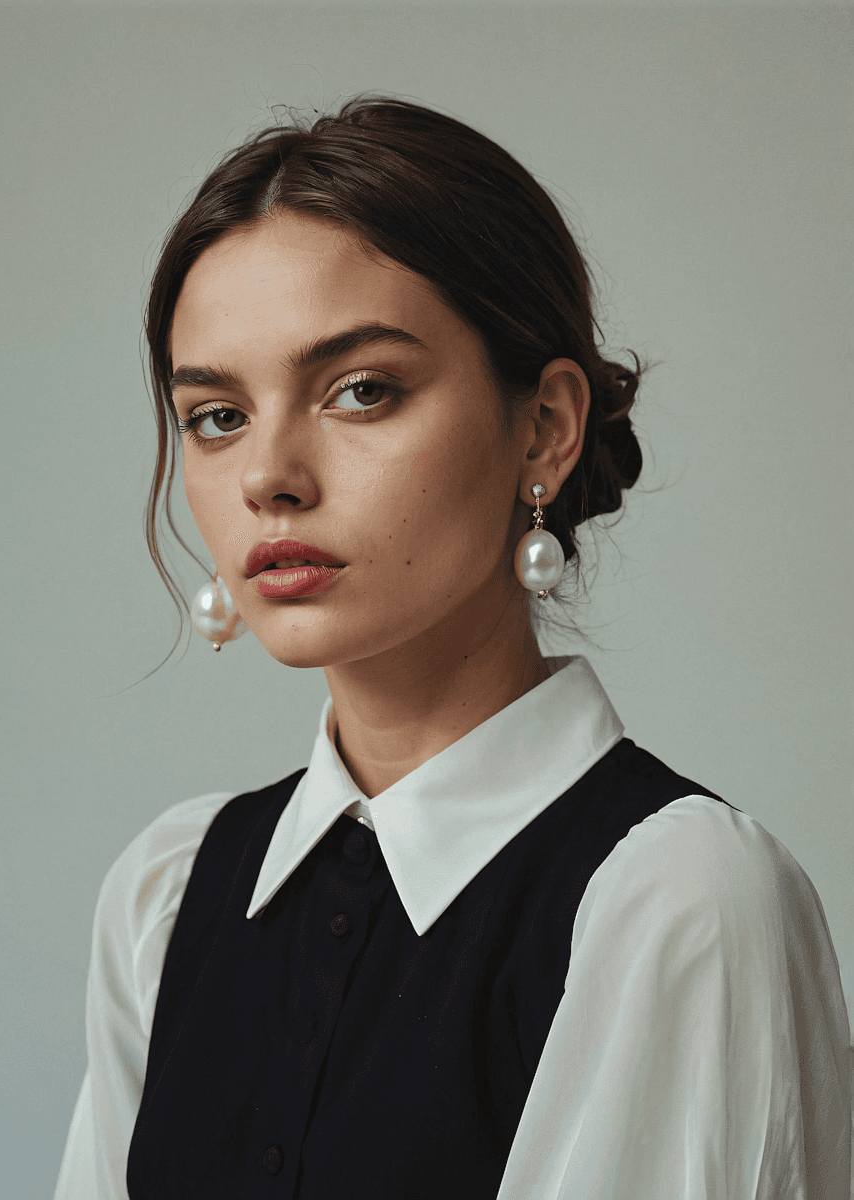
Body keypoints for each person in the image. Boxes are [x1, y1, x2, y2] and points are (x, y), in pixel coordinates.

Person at [54, 96, 852, 1199]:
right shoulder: (168, 895)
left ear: (546, 427)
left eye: (362, 391)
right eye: (217, 415)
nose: (267, 475)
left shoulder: (677, 902)